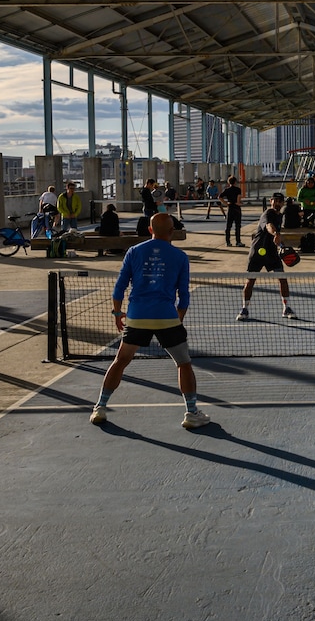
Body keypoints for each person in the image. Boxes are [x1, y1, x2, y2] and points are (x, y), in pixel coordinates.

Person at [89, 213, 208, 431]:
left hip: (136, 317)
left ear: (150, 230)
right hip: (167, 317)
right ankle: (191, 413)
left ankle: (100, 407)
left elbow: (119, 288)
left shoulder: (134, 252)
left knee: (120, 361)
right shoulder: (180, 257)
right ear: (172, 232)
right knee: (183, 363)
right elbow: (184, 296)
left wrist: (117, 314)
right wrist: (177, 320)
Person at [238, 192, 296, 321]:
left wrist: (281, 245)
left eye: (280, 201)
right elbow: (269, 226)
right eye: (275, 200)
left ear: (282, 203)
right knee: (250, 280)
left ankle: (286, 308)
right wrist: (275, 233)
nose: (277, 203)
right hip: (257, 252)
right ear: (271, 201)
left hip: (271, 253)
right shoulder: (267, 214)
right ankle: (244, 309)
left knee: (282, 278)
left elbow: (276, 235)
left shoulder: (280, 216)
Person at [218, 176, 243, 246]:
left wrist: (226, 203)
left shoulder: (227, 190)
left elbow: (219, 197)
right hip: (236, 208)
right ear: (235, 182)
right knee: (237, 226)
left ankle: (228, 241)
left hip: (230, 207)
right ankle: (238, 241)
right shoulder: (238, 189)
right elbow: (238, 199)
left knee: (228, 226)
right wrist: (239, 203)